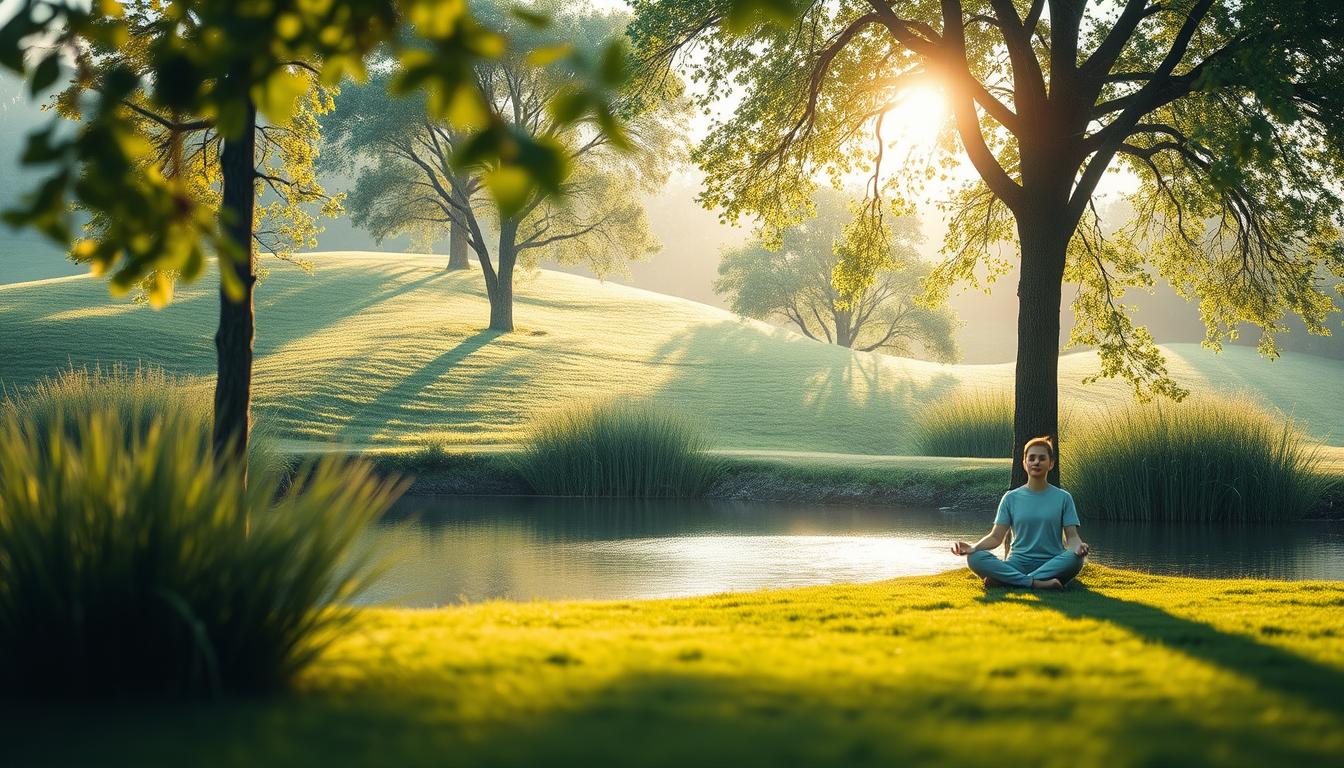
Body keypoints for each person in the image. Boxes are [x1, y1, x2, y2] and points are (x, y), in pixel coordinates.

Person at [950, 436, 1089, 590]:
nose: (1036, 462)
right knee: (975, 558)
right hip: (1017, 563)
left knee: (1075, 559)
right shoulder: (1011, 498)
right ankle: (1037, 583)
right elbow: (996, 537)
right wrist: (973, 548)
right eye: (1032, 458)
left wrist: (1079, 547)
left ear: (1051, 464)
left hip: (1052, 562)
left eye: (1042, 458)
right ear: (1024, 463)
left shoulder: (1064, 497)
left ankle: (1006, 581)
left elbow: (1072, 537)